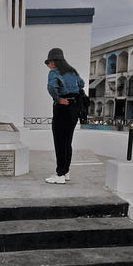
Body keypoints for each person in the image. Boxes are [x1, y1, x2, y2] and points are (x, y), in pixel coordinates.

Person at [44, 48, 85, 184]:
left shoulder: (54, 73)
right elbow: (82, 84)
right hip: (74, 109)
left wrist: (58, 98)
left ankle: (60, 174)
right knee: (68, 142)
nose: (49, 64)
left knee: (60, 142)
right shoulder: (73, 72)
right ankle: (65, 172)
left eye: (50, 61)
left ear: (54, 61)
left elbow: (51, 87)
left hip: (62, 108)